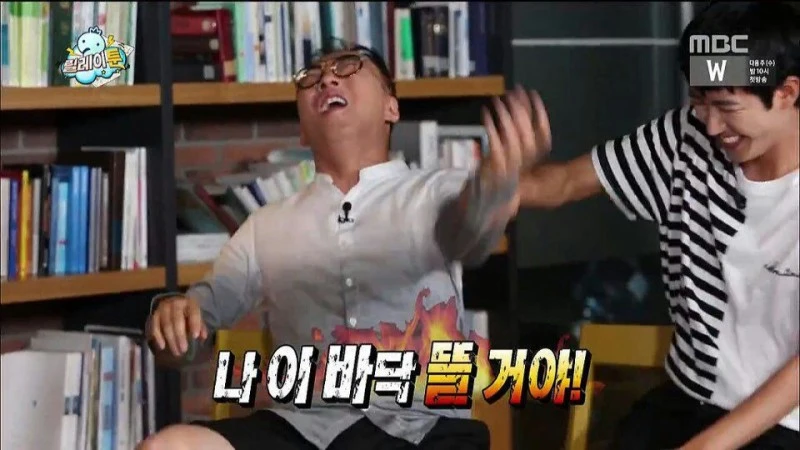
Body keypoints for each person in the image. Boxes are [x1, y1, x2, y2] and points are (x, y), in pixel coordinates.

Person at [138, 42, 546, 450]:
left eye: (349, 66)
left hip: (424, 428)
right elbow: (190, 334)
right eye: (311, 77)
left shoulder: (437, 192)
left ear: (391, 108)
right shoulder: (264, 225)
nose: (328, 79)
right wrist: (172, 320)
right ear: (302, 128)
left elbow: (471, 231)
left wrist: (495, 182)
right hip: (301, 429)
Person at [519, 2, 799, 449]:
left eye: (726, 106)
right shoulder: (685, 136)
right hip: (687, 399)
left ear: (786, 92)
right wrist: (502, 181)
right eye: (700, 102)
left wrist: (705, 447)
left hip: (783, 421)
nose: (711, 126)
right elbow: (564, 183)